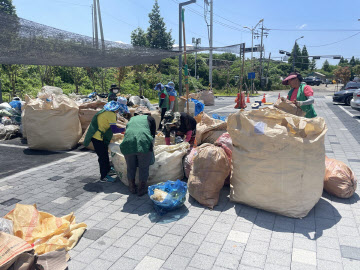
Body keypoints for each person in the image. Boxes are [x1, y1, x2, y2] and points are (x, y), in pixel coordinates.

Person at [83, 101, 126, 182]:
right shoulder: (111, 114)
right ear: (117, 109)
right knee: (103, 157)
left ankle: (108, 170)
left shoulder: (105, 111)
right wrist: (124, 129)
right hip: (98, 138)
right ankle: (103, 176)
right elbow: (114, 129)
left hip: (97, 135)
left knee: (105, 154)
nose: (118, 111)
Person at [120, 107, 156, 196]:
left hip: (127, 143)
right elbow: (152, 135)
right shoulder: (150, 119)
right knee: (143, 167)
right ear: (147, 113)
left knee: (130, 166)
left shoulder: (131, 119)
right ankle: (141, 189)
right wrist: (151, 148)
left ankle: (132, 187)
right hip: (143, 143)